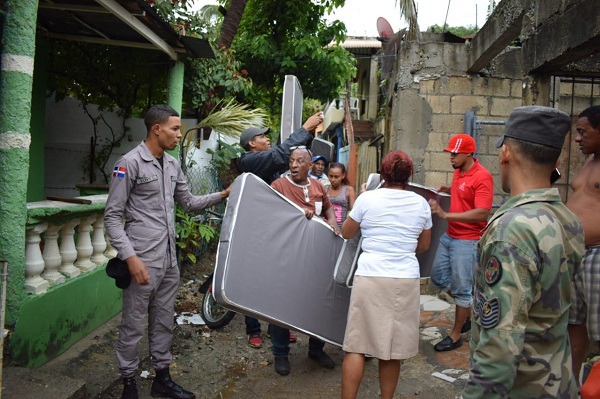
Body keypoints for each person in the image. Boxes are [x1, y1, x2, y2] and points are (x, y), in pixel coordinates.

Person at [104, 104, 231, 399]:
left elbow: (187, 202)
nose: (178, 134)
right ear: (156, 129)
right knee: (133, 325)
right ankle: (129, 385)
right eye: (174, 128)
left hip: (168, 260)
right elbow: (112, 217)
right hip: (142, 260)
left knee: (163, 321)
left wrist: (222, 195)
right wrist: (130, 257)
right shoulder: (129, 163)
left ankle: (161, 379)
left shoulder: (172, 165)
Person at [462, 105, 585, 398]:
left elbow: (499, 349)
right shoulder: (568, 220)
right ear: (555, 159)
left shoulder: (511, 230)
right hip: (558, 384)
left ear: (506, 153)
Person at [340, 150, 432, 399]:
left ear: (382, 174)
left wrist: (361, 198)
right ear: (409, 176)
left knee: (357, 345)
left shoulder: (367, 199)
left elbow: (347, 233)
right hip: (404, 279)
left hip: (371, 276)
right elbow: (423, 246)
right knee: (392, 348)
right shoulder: (421, 203)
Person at [236, 112, 323, 349]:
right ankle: (253, 330)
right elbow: (280, 154)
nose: (267, 138)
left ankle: (279, 329)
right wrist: (304, 128)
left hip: (273, 230)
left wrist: (308, 136)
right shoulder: (248, 161)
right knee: (253, 282)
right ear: (252, 143)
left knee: (276, 280)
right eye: (262, 136)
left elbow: (292, 157)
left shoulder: (270, 163)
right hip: (254, 230)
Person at [269, 147, 340, 376]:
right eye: (291, 161)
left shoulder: (318, 186)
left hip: (317, 256)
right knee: (283, 304)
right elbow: (270, 215)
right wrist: (298, 213)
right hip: (288, 256)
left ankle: (316, 349)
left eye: (300, 161)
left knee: (319, 302)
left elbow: (328, 209)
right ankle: (281, 353)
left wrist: (334, 224)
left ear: (310, 165)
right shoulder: (279, 186)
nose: (294, 165)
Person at [428, 133, 493, 352]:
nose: (451, 158)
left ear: (468, 153)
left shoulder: (482, 176)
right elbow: (463, 192)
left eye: (455, 154)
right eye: (450, 153)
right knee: (437, 277)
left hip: (466, 241)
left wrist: (446, 216)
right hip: (450, 236)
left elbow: (482, 212)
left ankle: (456, 335)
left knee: (463, 291)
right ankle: (465, 308)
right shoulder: (459, 172)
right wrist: (449, 188)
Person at [567, 105, 600, 382]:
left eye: (582, 132)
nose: (578, 139)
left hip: (598, 257)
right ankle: (571, 384)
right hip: (577, 255)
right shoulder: (588, 162)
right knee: (574, 324)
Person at [326, 162, 355, 229]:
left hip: (341, 230)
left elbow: (354, 212)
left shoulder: (348, 190)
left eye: (336, 177)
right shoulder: (325, 189)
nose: (333, 180)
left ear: (343, 175)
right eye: (331, 176)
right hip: (326, 228)